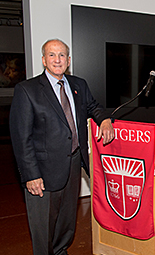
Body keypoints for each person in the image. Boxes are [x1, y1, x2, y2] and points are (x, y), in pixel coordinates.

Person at [9, 38, 115, 255]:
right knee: (43, 226)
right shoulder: (27, 90)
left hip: (73, 163)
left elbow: (94, 107)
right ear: (43, 60)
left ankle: (60, 251)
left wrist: (105, 120)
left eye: (62, 55)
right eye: (52, 55)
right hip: (42, 171)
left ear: (68, 60)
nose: (57, 60)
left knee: (66, 220)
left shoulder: (78, 85)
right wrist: (31, 175)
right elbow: (22, 138)